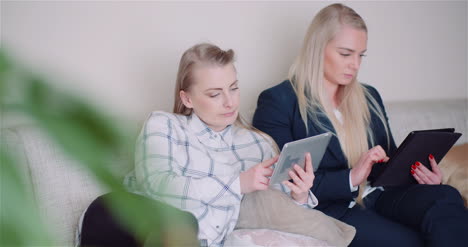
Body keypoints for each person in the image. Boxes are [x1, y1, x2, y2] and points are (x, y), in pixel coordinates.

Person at [252, 3, 468, 247]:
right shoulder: (279, 101)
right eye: (346, 54)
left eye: (360, 55)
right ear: (317, 50)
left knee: (445, 196)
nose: (355, 64)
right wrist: (351, 178)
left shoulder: (369, 96)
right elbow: (282, 183)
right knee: (409, 240)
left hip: (380, 196)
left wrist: (420, 177)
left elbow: (390, 163)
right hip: (331, 208)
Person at [122, 43, 318, 246]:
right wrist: (237, 184)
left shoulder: (259, 144)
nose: (230, 102)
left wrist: (300, 195)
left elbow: (285, 219)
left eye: (233, 88)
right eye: (215, 94)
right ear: (187, 98)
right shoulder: (164, 126)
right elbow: (158, 187)